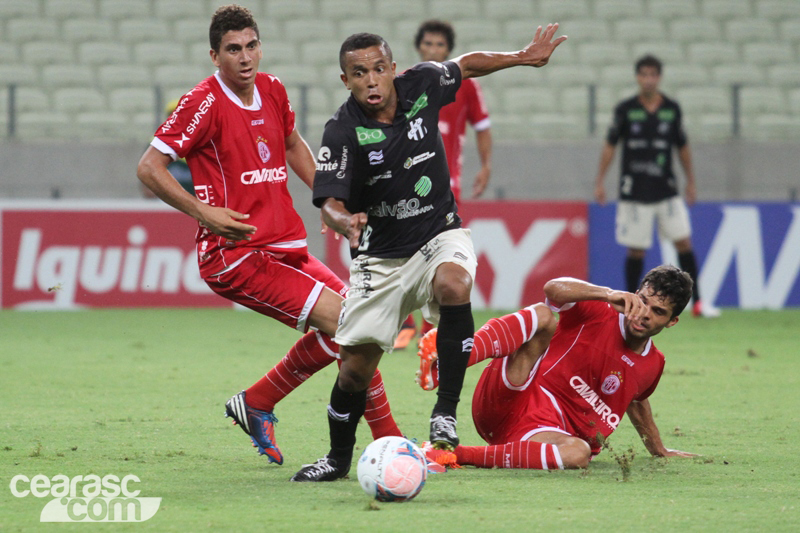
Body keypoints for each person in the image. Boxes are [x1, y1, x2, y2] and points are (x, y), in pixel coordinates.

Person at [291, 25, 566, 482]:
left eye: (379, 69)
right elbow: (330, 201)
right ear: (346, 81)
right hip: (381, 256)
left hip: (439, 232)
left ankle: (445, 413)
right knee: (354, 372)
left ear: (393, 69)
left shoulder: (421, 84)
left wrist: (523, 56)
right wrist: (344, 222)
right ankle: (338, 459)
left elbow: (469, 63)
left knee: (454, 283)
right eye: (360, 73)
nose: (372, 80)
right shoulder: (342, 130)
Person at [136, 5, 401, 466]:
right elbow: (148, 167)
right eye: (233, 49)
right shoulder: (203, 102)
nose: (245, 57)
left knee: (364, 325)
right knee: (351, 326)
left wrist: (329, 200)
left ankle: (259, 402)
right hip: (234, 253)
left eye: (251, 46)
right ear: (214, 56)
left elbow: (292, 143)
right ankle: (391, 445)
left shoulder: (274, 89)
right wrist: (204, 212)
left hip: (283, 244)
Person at [421, 265, 697, 470]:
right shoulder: (599, 309)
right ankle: (448, 363)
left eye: (658, 311)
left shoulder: (654, 363)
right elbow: (553, 288)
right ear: (635, 294)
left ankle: (450, 454)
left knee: (578, 453)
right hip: (510, 399)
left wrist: (658, 448)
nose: (644, 314)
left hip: (542, 437)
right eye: (643, 301)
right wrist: (607, 293)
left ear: (672, 321)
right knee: (543, 316)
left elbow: (636, 399)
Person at [593, 55, 720, 318]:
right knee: (636, 249)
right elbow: (610, 145)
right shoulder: (626, 109)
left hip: (666, 190)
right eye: (644, 74)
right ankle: (628, 305)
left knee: (683, 242)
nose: (648, 79)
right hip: (634, 191)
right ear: (637, 77)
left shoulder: (671, 109)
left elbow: (682, 147)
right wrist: (600, 181)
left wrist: (691, 182)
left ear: (659, 77)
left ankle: (699, 303)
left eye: (653, 74)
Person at [394, 19, 494, 351]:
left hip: (447, 186)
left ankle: (428, 330)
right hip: (410, 180)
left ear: (448, 50)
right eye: (428, 45)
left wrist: (486, 165)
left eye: (440, 46)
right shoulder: (410, 81)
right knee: (404, 250)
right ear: (419, 47)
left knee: (440, 256)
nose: (433, 50)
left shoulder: (464, 84)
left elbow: (482, 125)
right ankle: (403, 323)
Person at [140, 100, 194, 198]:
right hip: (167, 198)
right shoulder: (157, 141)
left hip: (197, 197)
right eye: (173, 115)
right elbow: (147, 167)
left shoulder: (202, 138)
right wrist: (148, 188)